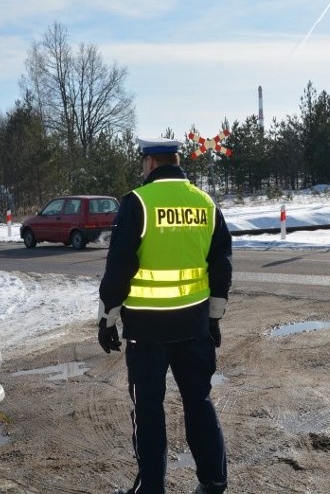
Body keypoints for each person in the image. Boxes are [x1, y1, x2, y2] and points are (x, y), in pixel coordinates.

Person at [98, 137, 233, 494]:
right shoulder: (205, 203)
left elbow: (118, 270)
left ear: (151, 164)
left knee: (149, 410)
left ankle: (152, 488)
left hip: (147, 331)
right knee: (198, 402)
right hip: (194, 326)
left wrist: (108, 319)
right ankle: (213, 480)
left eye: (143, 164)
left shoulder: (138, 203)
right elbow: (221, 267)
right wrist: (214, 318)